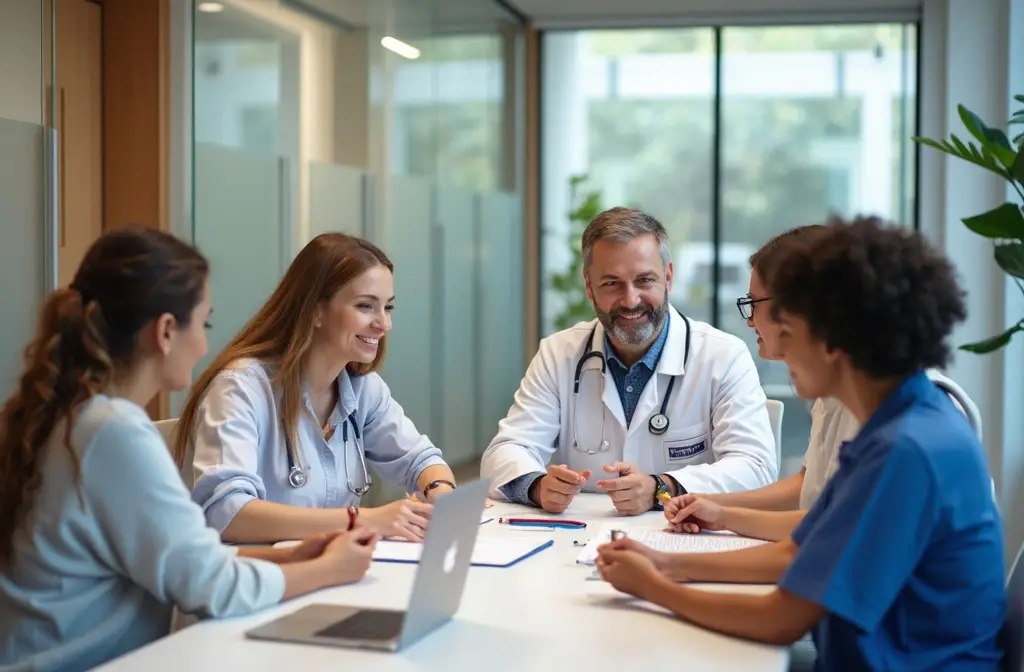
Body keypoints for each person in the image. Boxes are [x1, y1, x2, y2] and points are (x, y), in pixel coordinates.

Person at [595, 216, 1006, 670]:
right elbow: (801, 548)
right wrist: (664, 563)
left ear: (830, 337)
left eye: (787, 333)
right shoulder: (897, 425)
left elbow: (781, 620)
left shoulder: (906, 451)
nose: (778, 350)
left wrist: (654, 588)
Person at [0, 227, 378, 671]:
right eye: (204, 322)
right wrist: (329, 570)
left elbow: (181, 556)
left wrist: (292, 554)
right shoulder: (114, 432)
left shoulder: (71, 418)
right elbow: (209, 586)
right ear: (165, 331)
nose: (203, 343)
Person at [663, 225, 984, 546]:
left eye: (754, 303)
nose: (750, 320)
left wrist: (666, 570)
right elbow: (818, 499)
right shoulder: (846, 393)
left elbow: (827, 537)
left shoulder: (908, 434)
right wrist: (714, 508)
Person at [480, 207, 777, 515]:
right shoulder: (559, 354)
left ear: (669, 277)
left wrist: (662, 487)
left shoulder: (722, 356)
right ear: (588, 285)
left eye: (644, 280)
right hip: (581, 536)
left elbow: (755, 467)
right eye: (611, 283)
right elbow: (504, 451)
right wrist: (536, 486)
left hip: (683, 539)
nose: (631, 300)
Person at [176, 233, 458, 544]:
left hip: (330, 571)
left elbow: (421, 460)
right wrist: (361, 520)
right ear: (315, 310)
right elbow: (227, 514)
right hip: (261, 579)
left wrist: (439, 493)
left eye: (387, 307)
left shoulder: (362, 389)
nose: (383, 324)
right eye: (366, 306)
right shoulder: (239, 389)